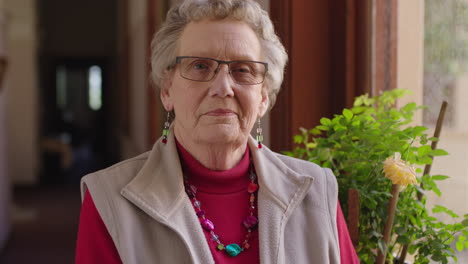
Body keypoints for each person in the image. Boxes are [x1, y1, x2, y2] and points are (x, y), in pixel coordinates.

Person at [75, 0, 359, 263]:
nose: (223, 88)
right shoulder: (109, 199)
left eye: (243, 70)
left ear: (263, 97)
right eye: (200, 66)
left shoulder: (316, 190)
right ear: (166, 90)